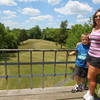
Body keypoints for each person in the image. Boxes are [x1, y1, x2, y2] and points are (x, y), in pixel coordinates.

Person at [83, 8, 100, 100]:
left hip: (97, 58)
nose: (97, 18)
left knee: (91, 77)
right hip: (90, 55)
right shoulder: (94, 28)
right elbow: (91, 40)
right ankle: (90, 92)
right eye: (96, 16)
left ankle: (91, 96)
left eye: (99, 16)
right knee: (90, 77)